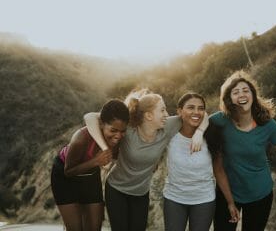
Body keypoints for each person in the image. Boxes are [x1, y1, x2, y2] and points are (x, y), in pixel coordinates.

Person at [83, 89, 207, 231]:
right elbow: (90, 117)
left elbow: (200, 115)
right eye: (162, 110)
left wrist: (199, 132)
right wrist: (104, 147)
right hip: (116, 190)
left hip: (141, 193)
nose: (167, 114)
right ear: (148, 115)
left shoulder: (167, 127)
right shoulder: (129, 128)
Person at [210, 70, 276, 231]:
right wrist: (196, 136)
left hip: (260, 195)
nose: (242, 94)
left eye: (246, 90)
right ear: (229, 99)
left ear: (253, 95)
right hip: (228, 193)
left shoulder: (267, 124)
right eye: (236, 92)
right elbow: (197, 121)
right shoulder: (220, 120)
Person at [162, 93, 239, 231]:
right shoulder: (170, 133)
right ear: (179, 111)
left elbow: (219, 171)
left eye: (200, 108)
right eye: (190, 107)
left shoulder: (212, 136)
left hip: (204, 200)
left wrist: (230, 202)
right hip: (174, 198)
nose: (196, 112)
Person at [50, 99, 129, 231]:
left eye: (122, 131)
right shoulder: (81, 138)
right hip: (64, 176)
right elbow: (68, 171)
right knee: (75, 228)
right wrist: (96, 161)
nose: (118, 136)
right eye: (113, 130)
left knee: (94, 227)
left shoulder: (119, 139)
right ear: (102, 124)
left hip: (90, 175)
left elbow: (119, 156)